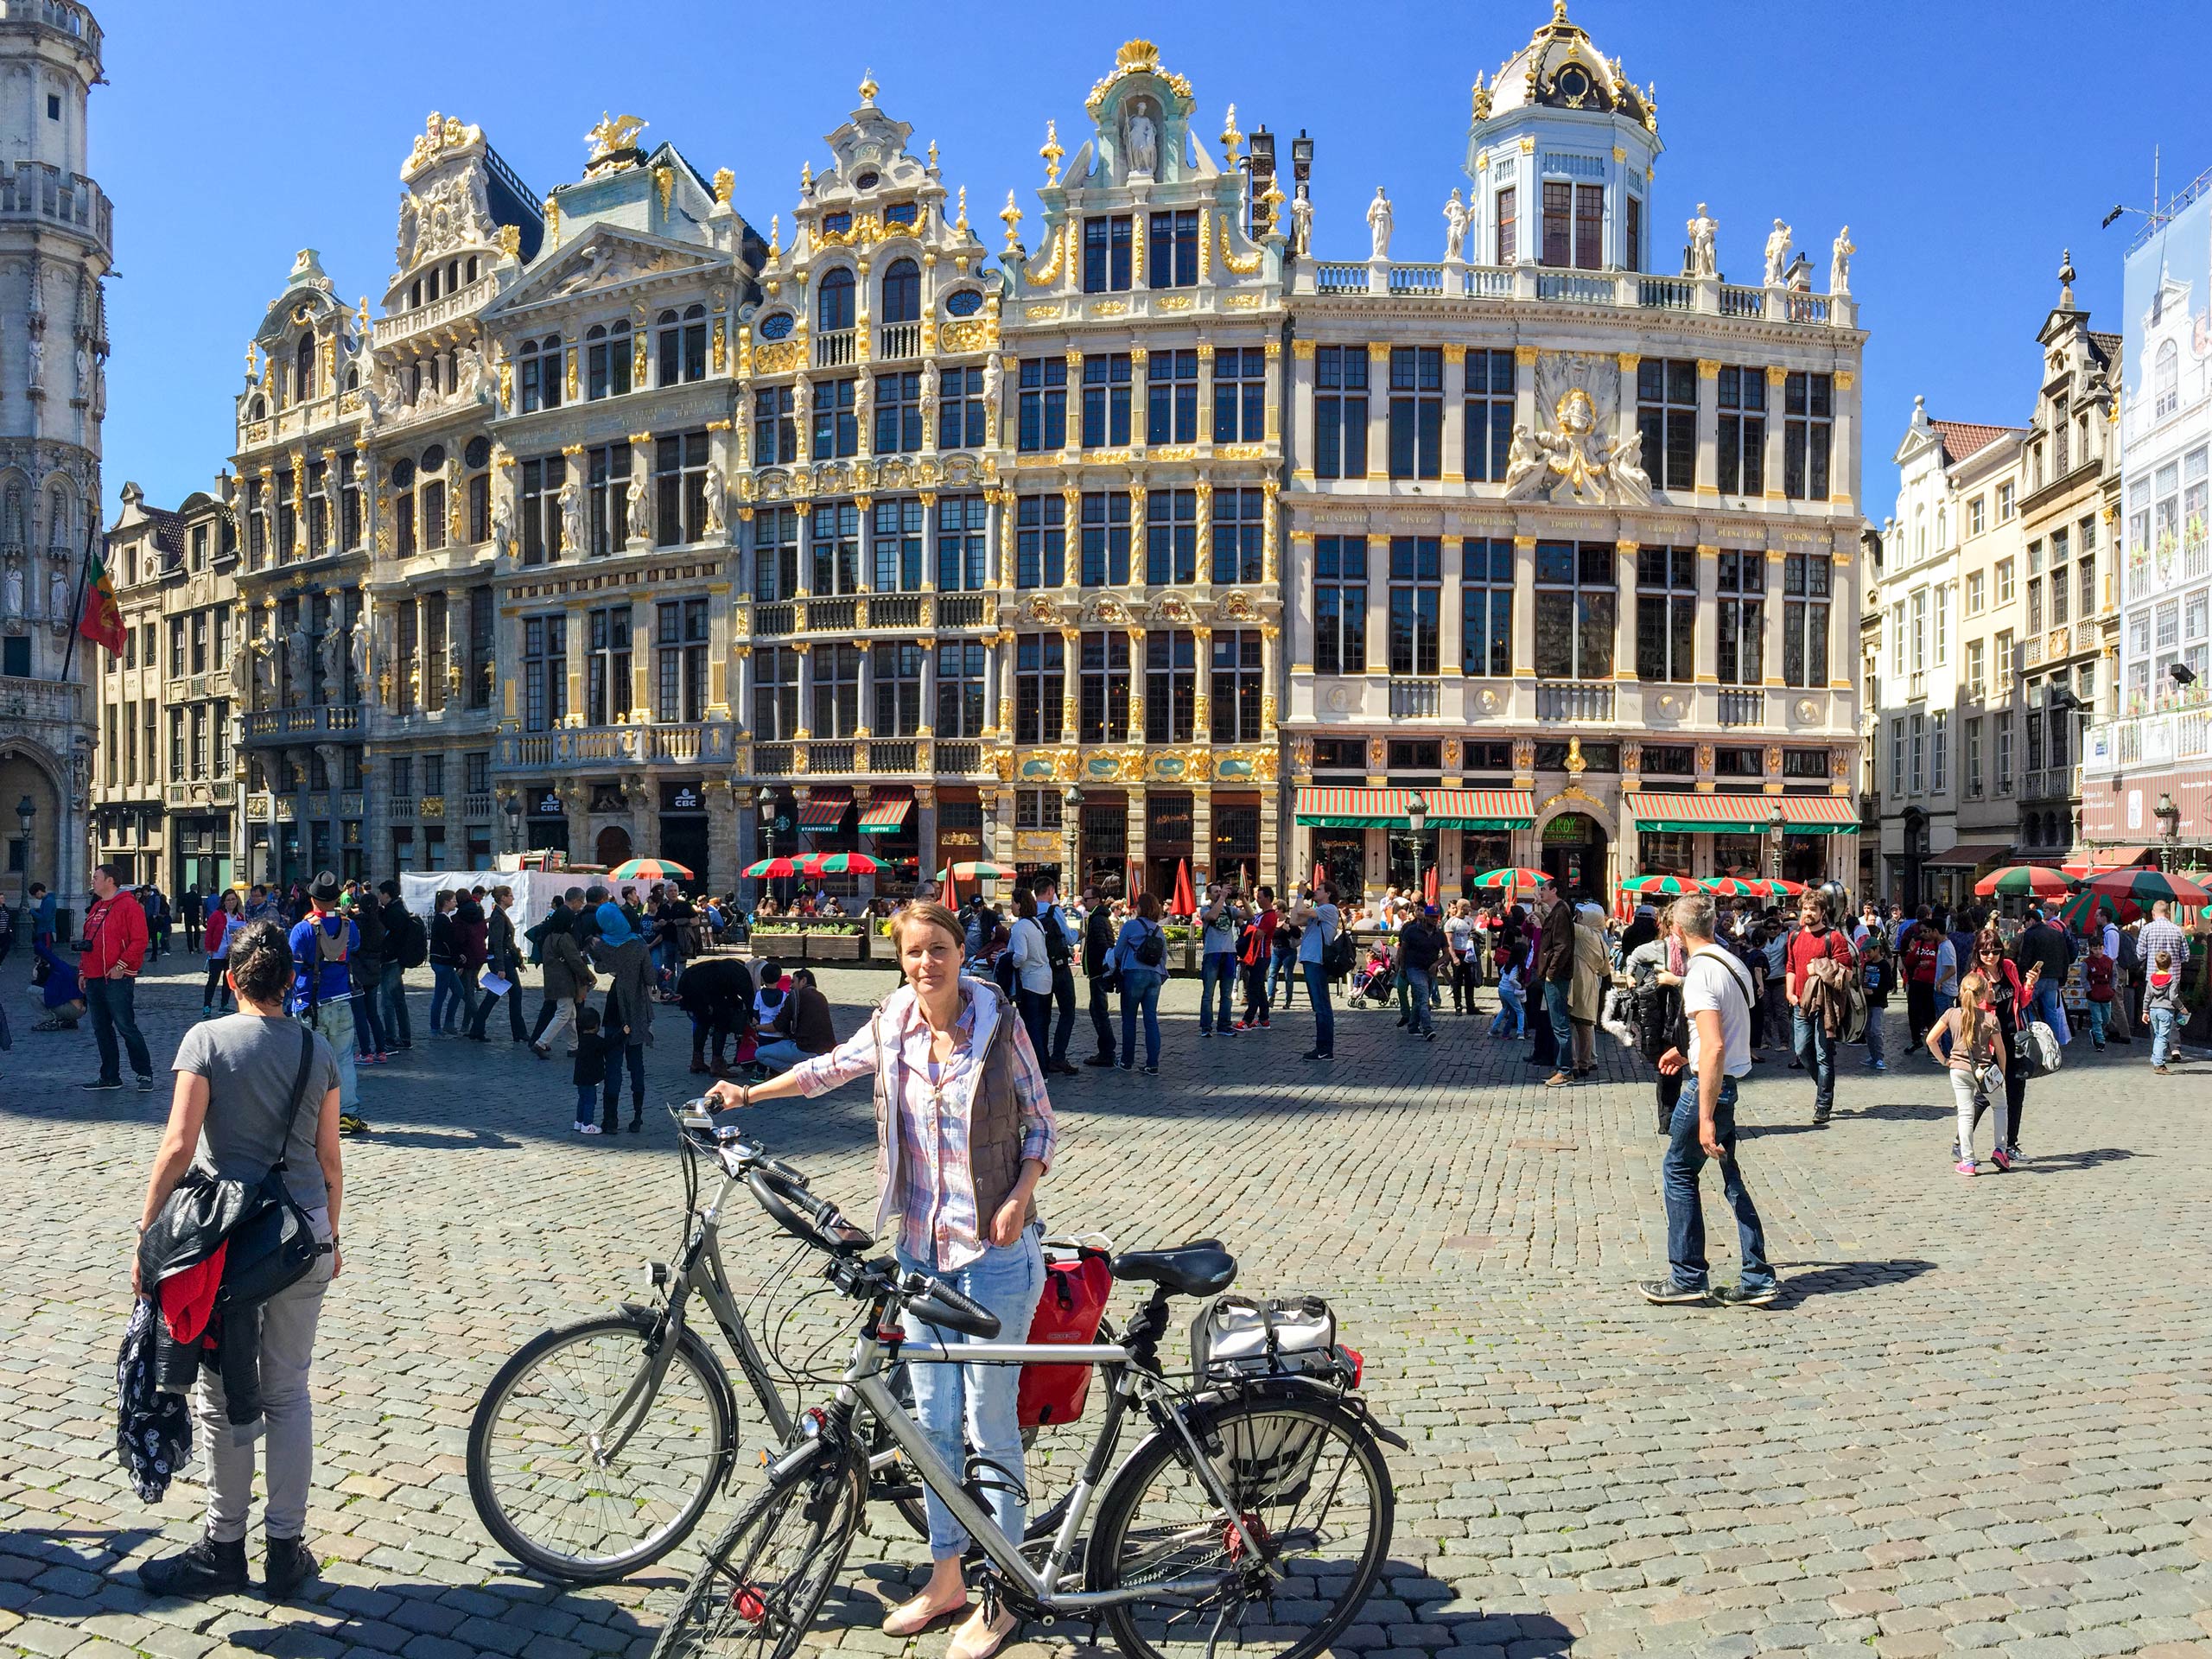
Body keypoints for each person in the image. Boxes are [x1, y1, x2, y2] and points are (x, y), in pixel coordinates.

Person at [705, 900, 1054, 1659]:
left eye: (938, 949)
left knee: (989, 1425)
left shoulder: (1000, 1025)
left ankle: (1005, 1593)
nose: (926, 963)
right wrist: (747, 1094)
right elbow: (827, 1070)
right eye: (913, 952)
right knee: (931, 1430)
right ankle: (947, 1577)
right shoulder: (895, 1022)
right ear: (900, 960)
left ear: (962, 953)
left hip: (994, 1259)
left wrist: (1022, 1194)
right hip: (920, 1259)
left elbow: (1041, 1123)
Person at [135, 918, 344, 1602]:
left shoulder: (207, 1040)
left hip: (225, 1247)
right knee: (289, 1394)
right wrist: (330, 1236)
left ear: (231, 980)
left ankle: (224, 1548)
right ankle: (286, 1551)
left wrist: (148, 1238)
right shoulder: (318, 1050)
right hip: (299, 1234)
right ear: (291, 982)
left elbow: (176, 1146)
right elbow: (331, 1161)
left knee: (222, 1399)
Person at [1638, 893, 1777, 1306]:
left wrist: (1704, 1116)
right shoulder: (1730, 961)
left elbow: (1715, 1045)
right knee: (1731, 1178)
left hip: (1710, 1087)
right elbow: (1732, 1027)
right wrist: (1686, 1050)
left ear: (1677, 933)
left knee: (1678, 1170)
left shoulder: (1700, 973)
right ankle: (1756, 1277)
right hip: (1729, 1080)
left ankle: (1687, 1276)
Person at [288, 872, 365, 1136]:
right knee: (343, 1059)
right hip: (342, 999)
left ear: (312, 898)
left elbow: (293, 970)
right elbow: (354, 947)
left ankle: (310, 1115)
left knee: (310, 1062)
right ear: (337, 899)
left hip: (311, 1001)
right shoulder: (348, 926)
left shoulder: (303, 929)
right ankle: (347, 1113)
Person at [79, 862, 154, 1094]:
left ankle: (144, 1072)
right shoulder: (95, 908)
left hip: (117, 977)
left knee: (125, 1025)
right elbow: (87, 943)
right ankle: (110, 1075)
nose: (92, 880)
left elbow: (140, 940)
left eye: (96, 877)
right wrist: (82, 971)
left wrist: (121, 965)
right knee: (101, 1029)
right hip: (94, 978)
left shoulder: (128, 906)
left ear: (110, 880)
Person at [1784, 892, 1857, 1126]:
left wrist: (1820, 969)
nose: (1808, 913)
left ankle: (1823, 1104)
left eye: (1813, 909)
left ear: (1823, 912)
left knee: (1824, 1055)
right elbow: (1791, 966)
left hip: (1825, 1005)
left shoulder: (1833, 938)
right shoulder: (1794, 936)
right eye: (1805, 908)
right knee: (1802, 1050)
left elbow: (1847, 971)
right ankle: (1824, 1085)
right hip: (1800, 1004)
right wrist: (1790, 993)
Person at [1929, 970, 2010, 1175]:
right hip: (1983, 1071)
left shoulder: (1951, 1014)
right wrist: (2002, 1072)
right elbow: (2000, 1051)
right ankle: (2001, 1150)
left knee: (1965, 1114)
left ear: (1960, 991)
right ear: (1983, 995)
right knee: (2000, 1106)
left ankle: (1968, 1161)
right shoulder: (1990, 1019)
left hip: (1957, 1069)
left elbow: (1931, 1039)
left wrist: (1944, 1060)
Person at [1622, 902, 1689, 1134]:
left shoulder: (1703, 948)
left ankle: (1699, 1116)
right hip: (1668, 1013)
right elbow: (1633, 957)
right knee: (1669, 1069)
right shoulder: (1658, 948)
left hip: (1695, 1010)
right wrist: (1630, 976)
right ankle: (1669, 1120)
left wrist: (1677, 981)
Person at [591, 902, 653, 1133]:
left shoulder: (605, 945)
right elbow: (649, 977)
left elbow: (599, 967)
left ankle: (610, 1119)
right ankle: (637, 1117)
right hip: (636, 1006)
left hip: (615, 1006)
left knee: (613, 1065)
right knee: (636, 1064)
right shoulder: (638, 944)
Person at [1112, 893, 1169, 1074]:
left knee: (1129, 1019)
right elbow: (1164, 956)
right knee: (1151, 1019)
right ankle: (1152, 1064)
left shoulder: (1131, 926)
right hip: (1155, 976)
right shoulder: (1159, 930)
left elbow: (1118, 952)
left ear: (1141, 907)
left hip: (1134, 974)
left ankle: (1126, 1061)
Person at [530, 902, 595, 1058]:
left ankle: (574, 1046)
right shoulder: (565, 938)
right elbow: (575, 961)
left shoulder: (548, 937)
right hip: (565, 982)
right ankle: (541, 1043)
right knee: (563, 1014)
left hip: (554, 980)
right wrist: (588, 976)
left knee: (570, 1014)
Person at [1030, 875, 1080, 1075]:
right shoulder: (1054, 910)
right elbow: (1069, 938)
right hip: (1059, 968)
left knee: (1043, 1015)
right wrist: (1080, 935)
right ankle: (1059, 1057)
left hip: (1039, 969)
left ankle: (1042, 1056)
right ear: (1050, 891)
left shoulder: (1030, 911)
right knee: (1067, 1011)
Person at [467, 886, 530, 1043]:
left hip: (505, 960)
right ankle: (518, 1032)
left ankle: (478, 1029)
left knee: (498, 995)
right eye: (510, 896)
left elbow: (508, 942)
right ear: (503, 898)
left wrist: (518, 960)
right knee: (506, 994)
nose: (513, 898)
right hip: (501, 961)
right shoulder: (498, 917)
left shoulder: (500, 915)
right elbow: (498, 943)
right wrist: (501, 967)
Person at [676, 954, 753, 1075]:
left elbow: (729, 992)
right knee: (722, 1022)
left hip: (688, 982)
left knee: (702, 1022)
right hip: (701, 988)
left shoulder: (724, 968)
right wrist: (754, 1018)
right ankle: (717, 1064)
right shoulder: (742, 973)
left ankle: (697, 1061)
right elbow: (749, 999)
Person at [1288, 882, 1339, 1062]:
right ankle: (1322, 1047)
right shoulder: (1318, 911)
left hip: (1318, 961)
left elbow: (1300, 912)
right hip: (1311, 960)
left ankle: (1325, 1048)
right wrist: (1300, 898)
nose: (1315, 891)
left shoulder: (1329, 909)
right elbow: (1293, 920)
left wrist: (1302, 896)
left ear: (1328, 894)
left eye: (1319, 889)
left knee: (1322, 1007)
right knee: (1319, 1007)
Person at [2012, 905, 2075, 1047]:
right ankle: (2053, 1043)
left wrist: (2022, 977)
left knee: (2028, 1007)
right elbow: (2065, 957)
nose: (2024, 925)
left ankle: (2035, 1040)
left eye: (2025, 922)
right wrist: (2062, 978)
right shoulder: (2056, 933)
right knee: (2051, 1011)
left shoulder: (2031, 934)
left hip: (2035, 977)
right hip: (2053, 977)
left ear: (2031, 921)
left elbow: (2025, 958)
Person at [755, 966, 837, 1072]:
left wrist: (757, 1027)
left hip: (806, 1049)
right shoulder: (821, 996)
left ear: (803, 981)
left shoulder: (795, 995)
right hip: (827, 1051)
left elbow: (778, 1026)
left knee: (760, 1054)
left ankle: (796, 1074)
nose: (791, 985)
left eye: (793, 981)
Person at [1006, 887, 1056, 1064]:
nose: (1010, 906)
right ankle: (1043, 1066)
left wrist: (1008, 962)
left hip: (1030, 982)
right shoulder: (1036, 923)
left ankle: (1037, 1068)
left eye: (1012, 902)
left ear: (1019, 904)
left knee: (1031, 1028)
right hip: (1045, 980)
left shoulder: (1020, 926)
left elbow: (1021, 955)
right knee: (1041, 1027)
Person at [1537, 887, 1577, 1085]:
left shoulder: (1561, 912)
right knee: (1556, 1022)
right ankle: (1561, 1065)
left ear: (1555, 890)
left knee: (1560, 1022)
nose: (1540, 891)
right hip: (1554, 974)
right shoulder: (1557, 911)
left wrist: (1552, 973)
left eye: (1543, 888)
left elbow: (1562, 946)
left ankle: (1565, 1070)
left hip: (1557, 976)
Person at [373, 882, 418, 1051]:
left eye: (381, 894)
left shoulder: (393, 913)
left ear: (387, 895)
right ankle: (405, 1037)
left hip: (391, 961)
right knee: (399, 1000)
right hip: (398, 960)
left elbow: (388, 938)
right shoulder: (400, 909)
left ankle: (391, 1037)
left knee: (388, 1001)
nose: (379, 897)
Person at [1079, 886, 1119, 1067]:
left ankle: (1107, 1051)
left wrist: (1101, 968)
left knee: (1098, 1010)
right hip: (1097, 972)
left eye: (1086, 899)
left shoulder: (1097, 919)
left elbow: (1103, 945)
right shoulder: (1098, 917)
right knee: (1096, 1009)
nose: (1083, 902)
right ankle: (1106, 1049)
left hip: (1098, 973)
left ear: (1096, 900)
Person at [1567, 901, 1609, 1077]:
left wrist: (1545, 907)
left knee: (1571, 1023)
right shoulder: (1602, 940)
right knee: (1586, 1025)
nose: (1578, 918)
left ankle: (1574, 1062)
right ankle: (1586, 1062)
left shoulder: (1584, 933)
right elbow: (1606, 970)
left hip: (1578, 981)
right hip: (1592, 983)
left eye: (1582, 915)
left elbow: (1564, 923)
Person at [1198, 885, 1242, 1039]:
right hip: (1212, 953)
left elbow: (1249, 915)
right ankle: (1206, 1026)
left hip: (1229, 953)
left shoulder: (1230, 910)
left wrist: (1243, 898)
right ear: (1209, 895)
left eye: (1220, 891)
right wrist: (1222, 898)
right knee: (1208, 993)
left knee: (1227, 994)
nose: (1219, 893)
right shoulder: (1204, 909)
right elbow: (1212, 917)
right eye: (1216, 891)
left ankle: (1224, 1025)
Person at [1236, 887, 1278, 1031]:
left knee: (1253, 989)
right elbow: (1251, 918)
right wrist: (1243, 899)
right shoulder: (1262, 915)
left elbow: (1258, 934)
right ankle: (1264, 1019)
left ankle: (1247, 1020)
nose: (1257, 900)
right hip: (1255, 956)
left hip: (1260, 956)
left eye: (1259, 897)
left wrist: (1244, 928)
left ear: (1267, 898)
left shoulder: (1270, 916)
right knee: (1259, 989)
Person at [1901, 906, 1942, 1051]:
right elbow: (1909, 962)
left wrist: (1930, 964)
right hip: (1917, 981)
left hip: (1931, 983)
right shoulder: (1919, 944)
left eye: (1927, 931)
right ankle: (1916, 1039)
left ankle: (1933, 1043)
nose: (1924, 934)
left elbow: (1944, 964)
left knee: (1930, 1014)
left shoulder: (1939, 946)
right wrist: (1912, 952)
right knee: (1913, 1011)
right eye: (1922, 932)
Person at [571, 1006, 614, 1135]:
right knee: (590, 1101)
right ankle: (587, 1124)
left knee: (582, 1099)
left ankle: (579, 1122)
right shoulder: (596, 1041)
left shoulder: (582, 1039)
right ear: (596, 1025)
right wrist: (623, 1033)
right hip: (590, 1078)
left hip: (579, 1077)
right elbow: (610, 1044)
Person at [427, 891, 466, 1034]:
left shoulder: (444, 919)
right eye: (453, 900)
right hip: (443, 962)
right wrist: (458, 960)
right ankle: (436, 1028)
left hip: (445, 962)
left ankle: (448, 1024)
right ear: (446, 902)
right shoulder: (442, 920)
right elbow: (449, 943)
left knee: (458, 991)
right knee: (440, 996)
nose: (456, 903)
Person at [201, 890, 244, 1018]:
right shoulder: (217, 915)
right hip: (218, 952)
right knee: (213, 980)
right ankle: (207, 1006)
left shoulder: (240, 917)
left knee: (228, 979)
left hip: (232, 952)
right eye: (228, 900)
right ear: (224, 902)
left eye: (233, 899)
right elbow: (209, 932)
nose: (231, 902)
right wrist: (208, 948)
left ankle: (224, 1005)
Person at [1856, 919, 1892, 1072]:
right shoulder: (1868, 964)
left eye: (1869, 951)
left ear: (1877, 949)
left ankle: (1880, 1058)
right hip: (1867, 1001)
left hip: (1878, 1002)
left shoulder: (1883, 965)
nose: (1867, 954)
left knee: (1876, 1030)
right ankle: (1873, 1055)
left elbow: (1888, 985)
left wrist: (1874, 992)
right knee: (1868, 1031)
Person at [2145, 948, 2183, 1072]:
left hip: (2153, 1009)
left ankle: (2155, 1057)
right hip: (2166, 1010)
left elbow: (2147, 996)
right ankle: (2159, 1063)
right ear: (2171, 964)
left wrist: (2145, 1011)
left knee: (2157, 1036)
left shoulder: (2151, 978)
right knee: (2163, 1037)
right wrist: (2181, 1007)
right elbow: (2173, 997)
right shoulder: (2172, 979)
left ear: (2156, 964)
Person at [2083, 932, 2116, 1050]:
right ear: (2091, 949)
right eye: (2095, 949)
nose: (2098, 951)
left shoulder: (2109, 961)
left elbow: (2114, 975)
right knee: (2097, 1018)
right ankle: (2100, 1041)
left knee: (2106, 1018)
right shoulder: (2087, 963)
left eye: (2100, 948)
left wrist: (2113, 988)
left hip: (2106, 993)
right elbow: (2083, 977)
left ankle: (2097, 1032)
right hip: (2093, 994)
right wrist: (2089, 990)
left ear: (2104, 948)